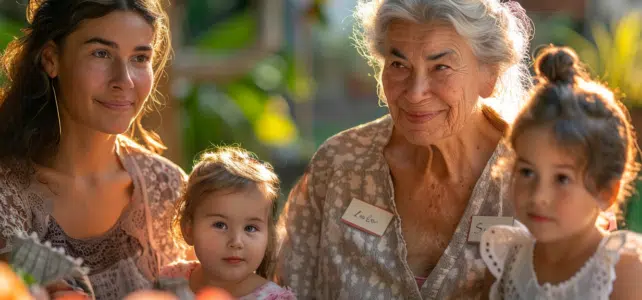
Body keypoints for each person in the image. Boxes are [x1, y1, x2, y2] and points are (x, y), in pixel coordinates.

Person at [275, 0, 534, 298]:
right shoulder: (339, 164)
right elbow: (287, 288)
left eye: (441, 67)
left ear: (489, 75)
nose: (415, 92)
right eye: (399, 65)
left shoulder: (538, 175)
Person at [0, 0, 187, 298]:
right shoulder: (6, 194)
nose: (123, 81)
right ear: (51, 59)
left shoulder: (169, 189)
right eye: (101, 53)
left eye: (140, 58)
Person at [480, 46, 642, 299]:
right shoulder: (507, 259)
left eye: (562, 178)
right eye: (527, 172)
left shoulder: (624, 271)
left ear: (606, 192)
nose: (539, 196)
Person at [161, 147, 296, 299]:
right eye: (220, 225)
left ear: (268, 235)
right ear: (188, 229)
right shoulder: (171, 281)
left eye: (250, 228)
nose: (236, 242)